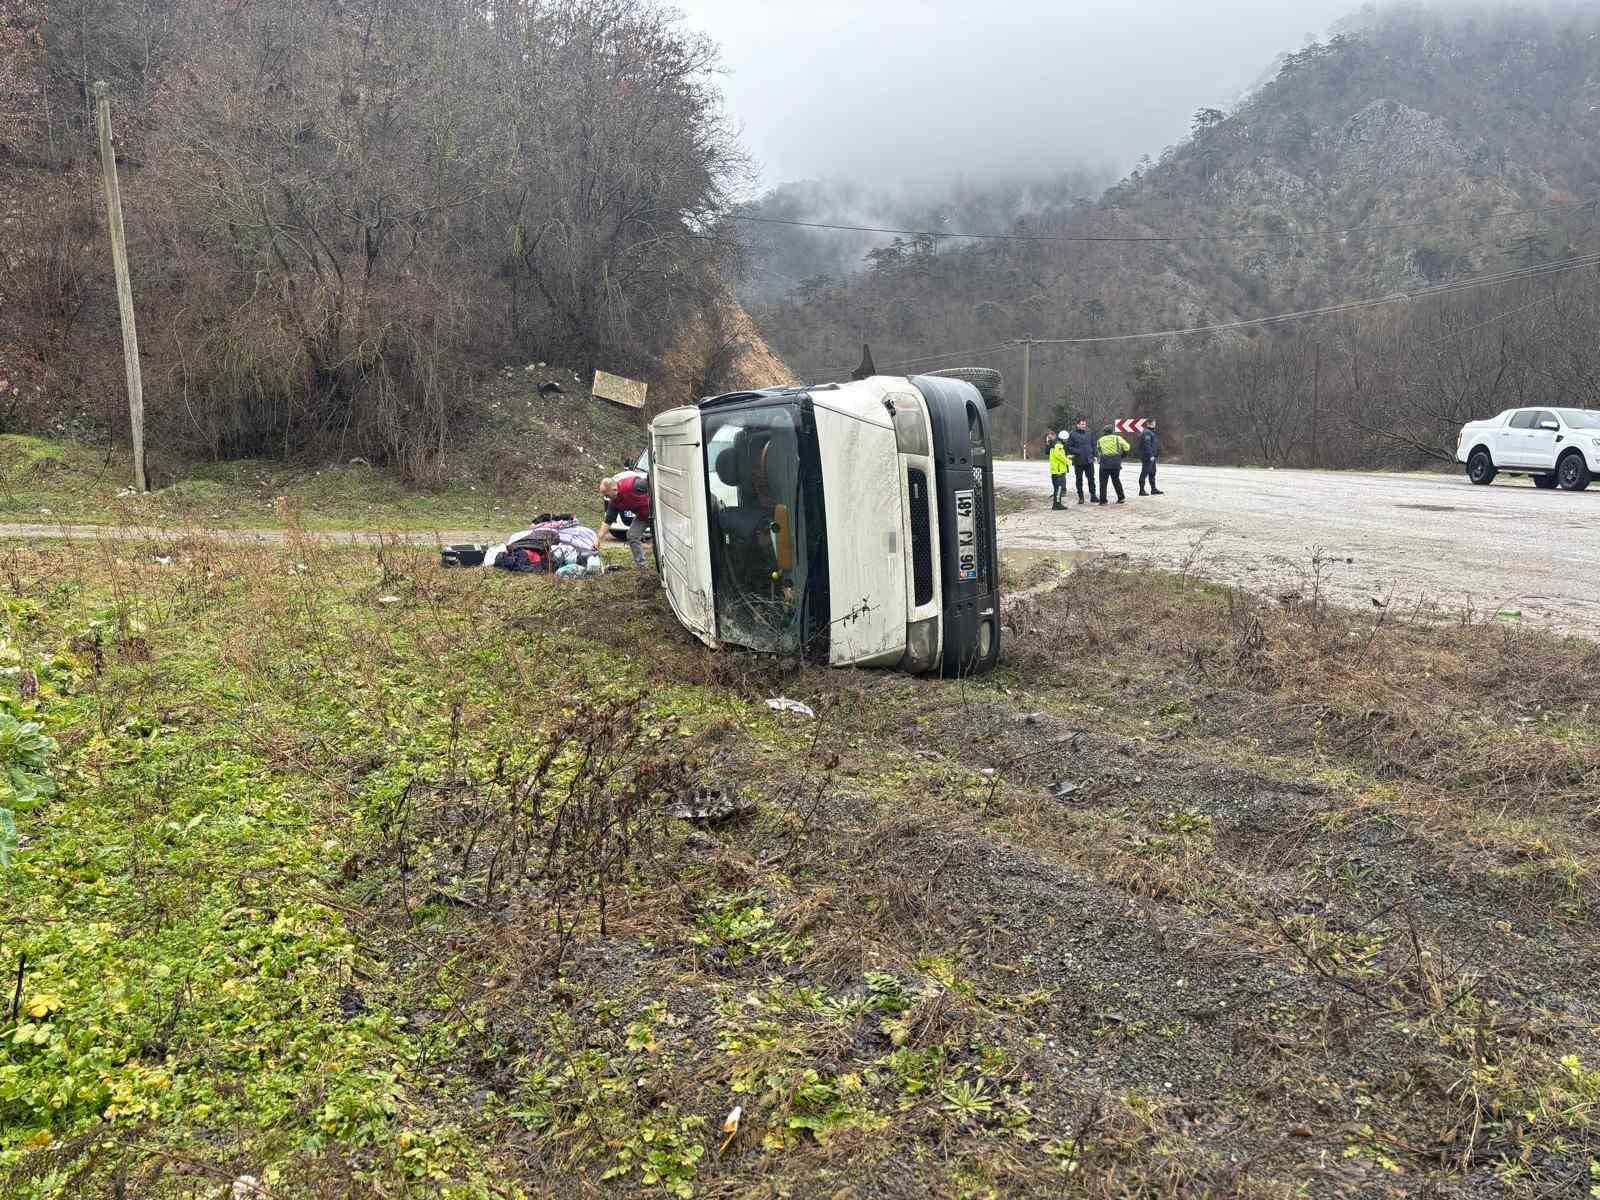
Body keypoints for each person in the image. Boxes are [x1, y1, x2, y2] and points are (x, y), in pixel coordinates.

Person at [600, 470, 652, 567]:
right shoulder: (614, 501)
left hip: (656, 512)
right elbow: (608, 520)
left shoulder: (634, 485)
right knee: (632, 535)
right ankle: (642, 566)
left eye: (606, 495)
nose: (606, 497)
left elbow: (653, 483)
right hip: (643, 516)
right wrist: (598, 539)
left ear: (614, 489)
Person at [1066, 418, 1098, 504]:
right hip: (1078, 461)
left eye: (1084, 424)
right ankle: (1081, 497)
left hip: (1089, 460)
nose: (1084, 426)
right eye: (1082, 424)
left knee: (1091, 478)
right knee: (1079, 480)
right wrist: (1077, 451)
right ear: (1078, 425)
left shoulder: (1089, 433)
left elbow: (1093, 445)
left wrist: (1095, 455)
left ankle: (1093, 496)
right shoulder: (1072, 434)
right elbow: (1068, 447)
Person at [1096, 425, 1131, 505]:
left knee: (1103, 482)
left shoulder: (1100, 440)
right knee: (1116, 480)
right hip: (1115, 462)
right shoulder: (1117, 438)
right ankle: (1121, 498)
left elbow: (1099, 452)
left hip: (1104, 463)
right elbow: (1127, 447)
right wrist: (1122, 455)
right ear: (1112, 431)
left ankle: (1103, 500)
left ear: (1104, 432)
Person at [1138, 420, 1163, 496]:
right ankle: (1141, 491)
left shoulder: (1150, 432)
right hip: (1147, 457)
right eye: (1153, 423)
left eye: (1154, 423)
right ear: (1148, 424)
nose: (1154, 424)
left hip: (1152, 456)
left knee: (1152, 472)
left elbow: (1153, 445)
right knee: (1144, 473)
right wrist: (1151, 455)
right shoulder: (1147, 432)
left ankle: (1153, 489)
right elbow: (1147, 445)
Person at [1048, 431, 1070, 510]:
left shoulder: (1053, 444)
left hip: (1055, 471)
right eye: (1066, 439)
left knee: (1057, 488)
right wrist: (1068, 461)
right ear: (1064, 439)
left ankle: (1056, 504)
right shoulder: (1058, 445)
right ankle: (1057, 505)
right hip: (1059, 471)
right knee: (1059, 488)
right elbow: (1060, 456)